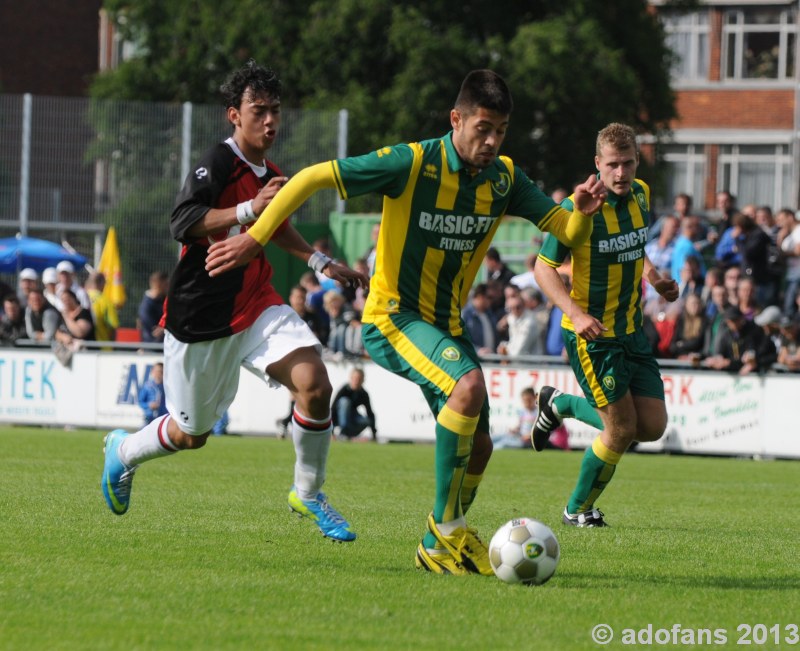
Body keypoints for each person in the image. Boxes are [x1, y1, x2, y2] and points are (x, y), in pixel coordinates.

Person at [205, 69, 606, 575]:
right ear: (456, 119)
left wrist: (583, 212)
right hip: (393, 318)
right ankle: (447, 530)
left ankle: (438, 543)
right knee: (468, 386)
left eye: (500, 130)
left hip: (446, 326)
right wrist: (255, 237)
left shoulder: (504, 177)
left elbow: (562, 228)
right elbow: (309, 178)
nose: (490, 140)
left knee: (481, 447)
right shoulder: (412, 163)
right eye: (482, 127)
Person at [100, 60, 368, 543]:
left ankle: (308, 493)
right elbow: (183, 221)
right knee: (190, 435)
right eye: (258, 110)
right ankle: (122, 452)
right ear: (233, 115)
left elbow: (275, 224)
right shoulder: (218, 163)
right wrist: (248, 209)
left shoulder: (272, 173)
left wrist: (319, 263)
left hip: (257, 302)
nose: (269, 121)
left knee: (315, 385)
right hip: (202, 317)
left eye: (275, 111)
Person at [532, 122, 679, 527]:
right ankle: (576, 510)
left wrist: (655, 278)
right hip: (592, 336)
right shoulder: (575, 208)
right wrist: (576, 314)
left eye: (628, 163)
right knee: (619, 431)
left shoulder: (642, 194)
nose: (621, 172)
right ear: (597, 164)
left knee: (650, 427)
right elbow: (542, 270)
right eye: (612, 164)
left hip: (631, 330)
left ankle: (560, 404)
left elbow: (636, 245)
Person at [703, 305, 776, 375]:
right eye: (730, 321)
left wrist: (753, 362)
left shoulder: (752, 333)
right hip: (733, 375)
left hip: (752, 375)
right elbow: (722, 354)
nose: (733, 324)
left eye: (735, 320)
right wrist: (717, 360)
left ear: (741, 319)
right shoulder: (726, 335)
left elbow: (754, 355)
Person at [331, 367, 377, 441]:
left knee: (367, 421)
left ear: (363, 380)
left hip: (352, 417)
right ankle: (344, 430)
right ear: (351, 378)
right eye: (355, 378)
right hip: (338, 418)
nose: (356, 381)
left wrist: (374, 434)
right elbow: (332, 409)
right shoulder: (344, 390)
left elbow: (370, 413)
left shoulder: (364, 394)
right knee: (345, 401)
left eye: (359, 379)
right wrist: (331, 431)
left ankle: (347, 435)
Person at [86, 272, 119, 342]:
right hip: (102, 347)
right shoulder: (106, 302)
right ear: (101, 283)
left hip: (83, 347)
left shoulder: (80, 298)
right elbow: (112, 327)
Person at [137, 270, 168, 343]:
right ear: (158, 284)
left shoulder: (163, 299)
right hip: (152, 349)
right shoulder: (146, 306)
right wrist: (166, 328)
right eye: (166, 284)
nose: (169, 286)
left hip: (161, 347)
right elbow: (155, 332)